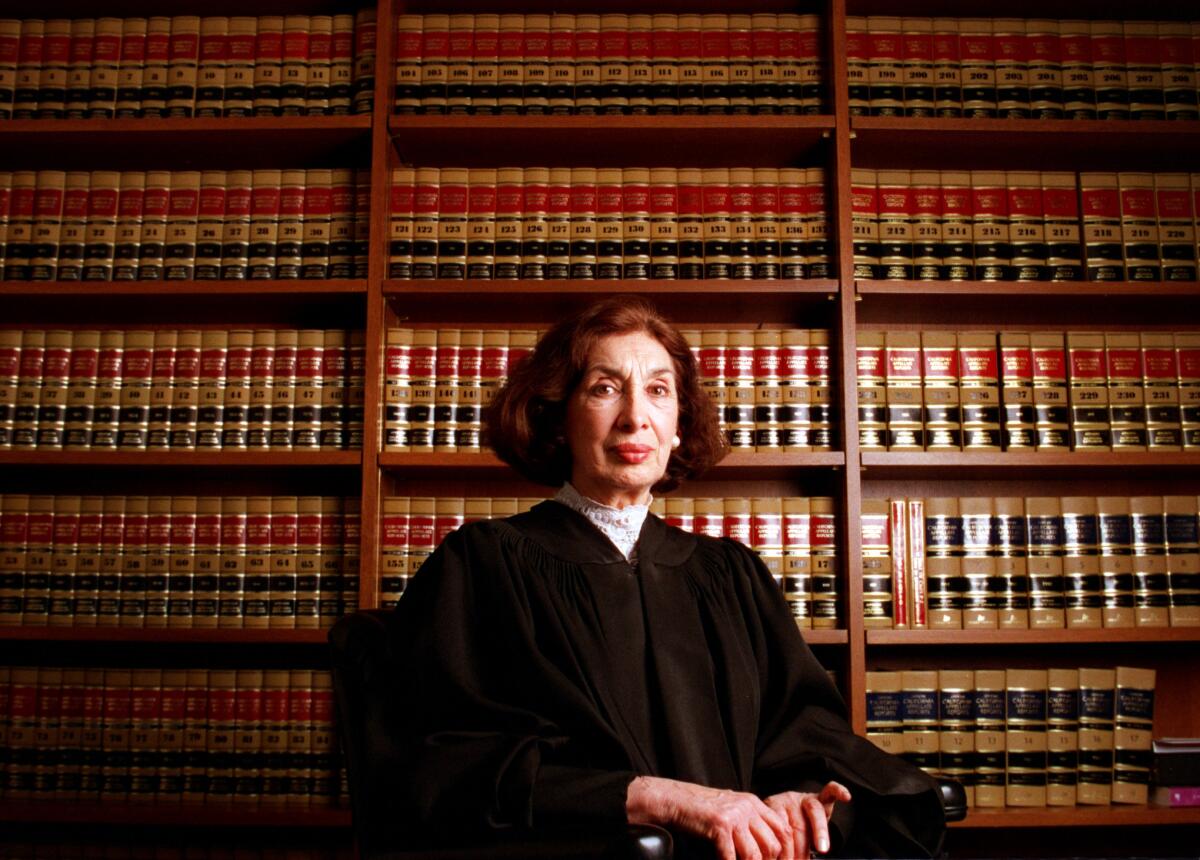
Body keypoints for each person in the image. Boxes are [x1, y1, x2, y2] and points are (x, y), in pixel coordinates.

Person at [385, 296, 946, 859]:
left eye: (658, 390)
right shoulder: (483, 566)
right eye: (604, 388)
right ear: (558, 415)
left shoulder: (730, 575)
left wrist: (795, 799)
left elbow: (804, 730)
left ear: (679, 424)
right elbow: (441, 764)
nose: (635, 416)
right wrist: (656, 798)